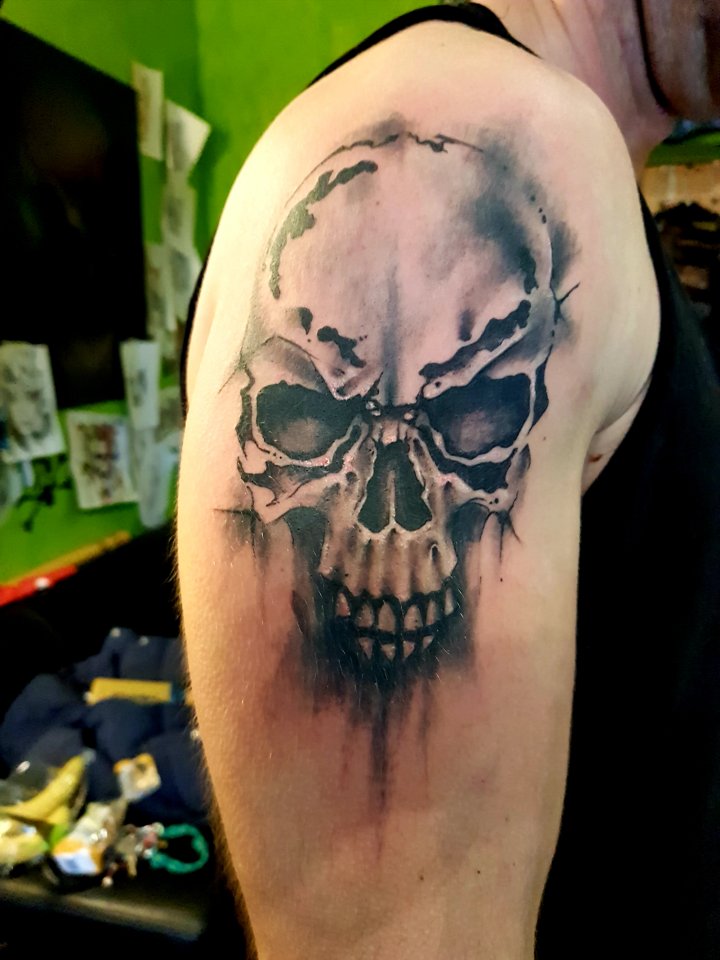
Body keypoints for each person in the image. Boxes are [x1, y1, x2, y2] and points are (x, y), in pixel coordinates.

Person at [177, 2, 720, 957]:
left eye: (474, 416)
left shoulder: (567, 175)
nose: (391, 521)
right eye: (309, 418)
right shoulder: (485, 130)